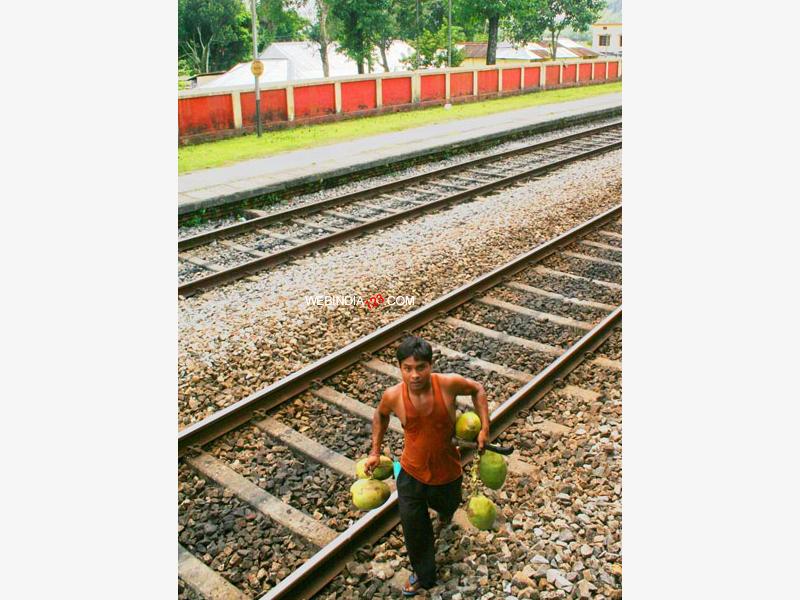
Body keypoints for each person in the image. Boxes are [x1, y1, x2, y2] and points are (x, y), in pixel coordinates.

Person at [364, 335, 490, 596]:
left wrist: (484, 427)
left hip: (447, 472)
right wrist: (375, 452)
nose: (414, 375)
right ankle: (424, 574)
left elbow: (478, 388)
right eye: (407, 369)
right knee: (414, 525)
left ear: (430, 366)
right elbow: (380, 415)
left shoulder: (448, 385)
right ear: (400, 368)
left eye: (420, 367)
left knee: (449, 505)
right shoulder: (392, 396)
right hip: (411, 473)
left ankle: (444, 513)